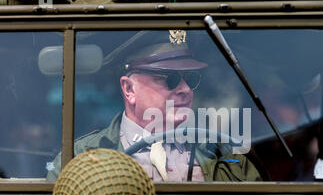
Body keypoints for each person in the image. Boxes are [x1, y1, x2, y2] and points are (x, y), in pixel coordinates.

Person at [47, 30, 261, 182]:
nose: (185, 89)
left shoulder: (226, 155)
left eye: (191, 78)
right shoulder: (78, 160)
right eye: (170, 79)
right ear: (129, 89)